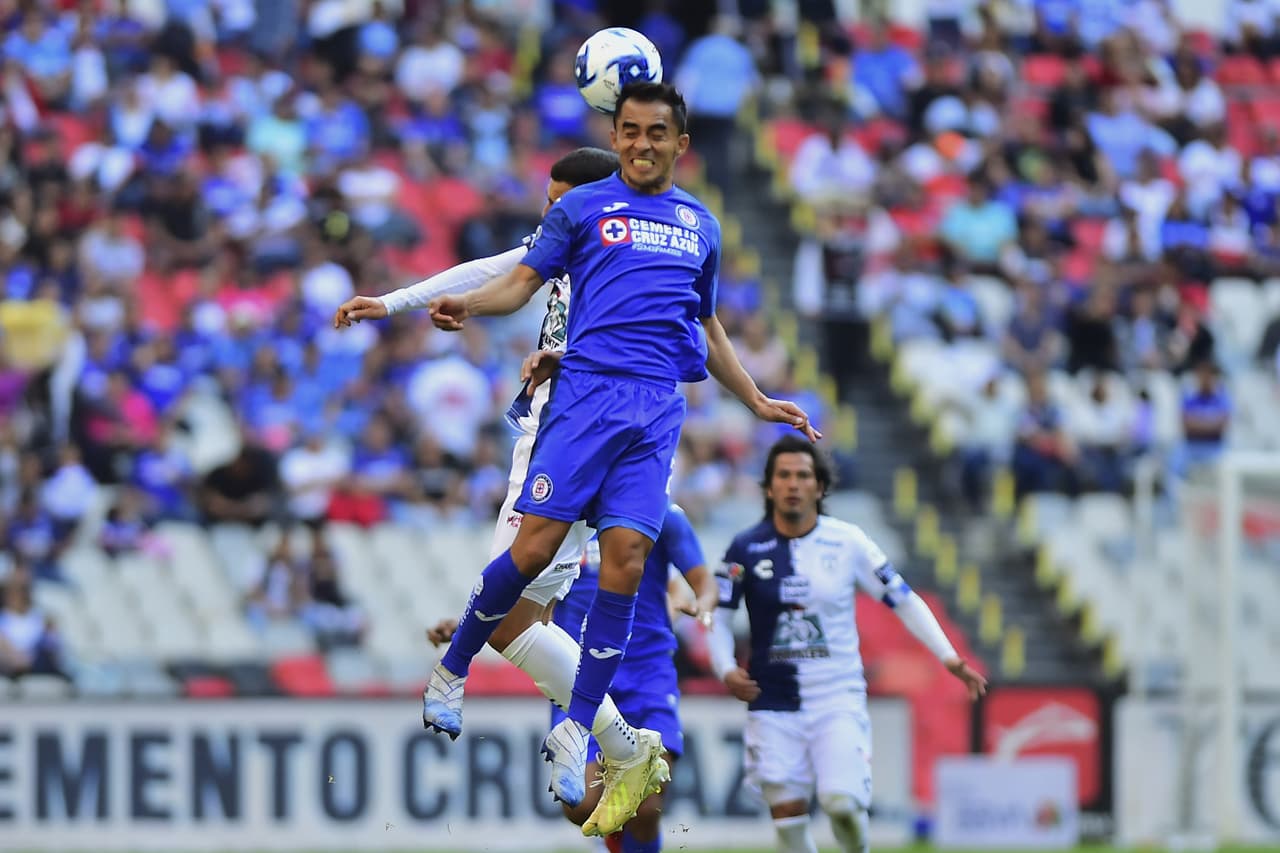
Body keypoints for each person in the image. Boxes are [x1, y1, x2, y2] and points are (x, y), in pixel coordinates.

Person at [418, 81, 818, 835]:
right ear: (619, 133)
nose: (640, 143)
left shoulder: (700, 224)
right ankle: (453, 668)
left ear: (680, 143)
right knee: (533, 549)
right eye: (628, 130)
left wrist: (758, 400)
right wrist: (465, 305)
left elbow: (706, 327)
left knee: (628, 564)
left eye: (654, 132)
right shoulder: (581, 208)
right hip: (587, 397)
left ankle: (576, 732)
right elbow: (518, 282)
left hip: (658, 407)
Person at [335, 148, 657, 791]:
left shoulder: (625, 260)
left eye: (559, 201)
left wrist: (560, 360)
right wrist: (397, 301)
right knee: (521, 621)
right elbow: (497, 268)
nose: (548, 212)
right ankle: (612, 744)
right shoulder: (572, 242)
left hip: (570, 432)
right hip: (563, 424)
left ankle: (608, 740)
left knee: (512, 611)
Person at [708, 436, 986, 853]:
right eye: (783, 475)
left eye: (803, 475)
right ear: (769, 487)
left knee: (841, 803)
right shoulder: (744, 548)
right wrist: (725, 668)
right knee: (788, 821)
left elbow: (904, 599)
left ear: (820, 487)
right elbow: (718, 618)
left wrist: (948, 656)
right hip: (771, 700)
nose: (793, 484)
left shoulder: (848, 541)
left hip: (836, 694)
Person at [427, 502, 717, 853]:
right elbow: (522, 599)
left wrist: (703, 603)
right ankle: (613, 838)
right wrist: (466, 626)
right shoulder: (563, 516)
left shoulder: (658, 510)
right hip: (576, 677)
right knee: (580, 805)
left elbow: (704, 583)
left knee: (647, 803)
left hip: (646, 672)